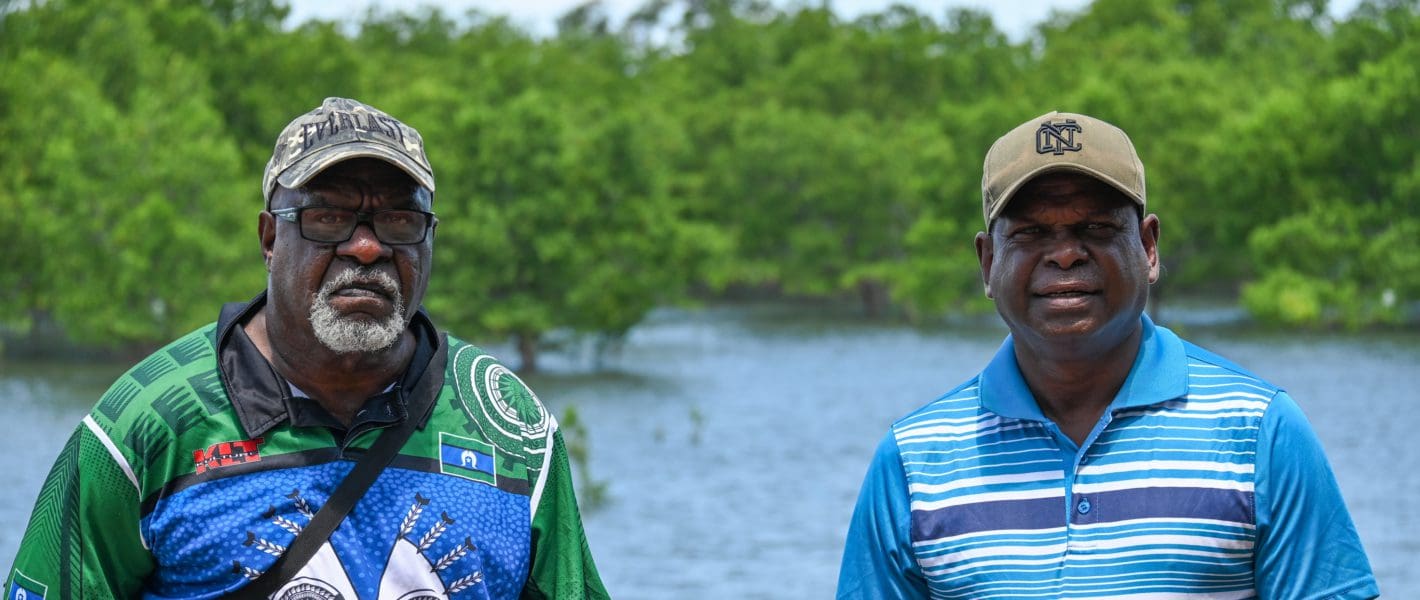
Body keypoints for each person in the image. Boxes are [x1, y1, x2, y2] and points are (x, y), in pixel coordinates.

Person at [5, 97, 609, 599]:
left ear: (429, 241)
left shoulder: (508, 425)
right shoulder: (145, 426)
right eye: (328, 217)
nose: (367, 248)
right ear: (271, 237)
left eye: (400, 222)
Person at [836, 111, 1379, 598]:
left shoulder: (1259, 431)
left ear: (1147, 247)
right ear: (987, 262)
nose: (1067, 254)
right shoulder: (914, 461)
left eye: (1095, 227)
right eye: (1029, 232)